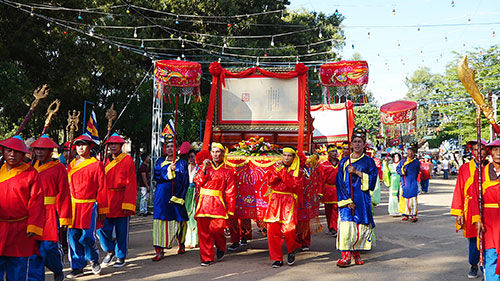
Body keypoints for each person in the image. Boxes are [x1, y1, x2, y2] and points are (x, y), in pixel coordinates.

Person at [0, 135, 45, 281]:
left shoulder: (31, 173)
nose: (12, 155)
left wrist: (33, 226)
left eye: (17, 151)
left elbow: (36, 201)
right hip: (0, 227)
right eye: (8, 151)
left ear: (23, 153)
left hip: (20, 228)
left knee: (18, 267)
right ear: (3, 152)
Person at [28, 135, 72, 281]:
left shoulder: (59, 168)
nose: (39, 152)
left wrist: (64, 217)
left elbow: (64, 194)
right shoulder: (30, 167)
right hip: (33, 212)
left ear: (50, 151)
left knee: (49, 247)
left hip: (51, 212)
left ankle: (57, 268)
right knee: (33, 249)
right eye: (37, 149)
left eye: (43, 149)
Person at [335, 128, 378, 267]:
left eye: (360, 142)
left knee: (360, 227)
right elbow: (339, 182)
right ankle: (346, 256)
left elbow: (372, 181)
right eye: (355, 142)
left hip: (361, 199)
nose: (357, 144)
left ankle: (357, 254)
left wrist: (358, 173)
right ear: (351, 144)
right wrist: (347, 201)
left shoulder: (369, 162)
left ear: (364, 144)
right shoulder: (343, 162)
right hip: (346, 199)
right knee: (347, 227)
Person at [66, 134, 107, 278]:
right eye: (78, 145)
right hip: (72, 206)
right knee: (73, 236)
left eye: (84, 145)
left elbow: (102, 187)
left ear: (90, 147)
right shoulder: (71, 165)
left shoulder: (96, 164)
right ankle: (77, 266)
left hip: (89, 205)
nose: (80, 148)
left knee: (87, 236)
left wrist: (103, 208)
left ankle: (94, 259)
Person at [97, 133, 137, 268]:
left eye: (116, 144)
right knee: (101, 229)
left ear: (120, 145)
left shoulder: (127, 160)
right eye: (111, 144)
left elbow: (131, 183)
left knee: (121, 231)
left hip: (121, 199)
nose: (113, 146)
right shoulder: (102, 161)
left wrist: (128, 203)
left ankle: (120, 256)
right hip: (105, 199)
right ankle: (110, 250)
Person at [194, 143, 236, 266]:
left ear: (223, 154)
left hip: (218, 204)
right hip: (203, 203)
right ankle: (206, 257)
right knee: (203, 232)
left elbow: (231, 191)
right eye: (213, 152)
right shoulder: (204, 167)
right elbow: (198, 181)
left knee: (217, 230)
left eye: (218, 152)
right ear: (210, 153)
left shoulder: (228, 171)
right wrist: (203, 169)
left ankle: (221, 246)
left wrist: (231, 209)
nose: (215, 154)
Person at [451, 139, 487, 279]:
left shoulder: (491, 167)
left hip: (486, 207)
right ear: (472, 151)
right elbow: (459, 190)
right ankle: (473, 264)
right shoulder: (465, 168)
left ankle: (486, 267)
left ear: (487, 151)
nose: (480, 152)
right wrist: (459, 212)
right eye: (477, 149)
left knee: (487, 238)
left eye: (482, 149)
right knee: (473, 239)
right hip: (470, 208)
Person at [264, 146, 303, 268]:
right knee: (273, 231)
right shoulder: (274, 167)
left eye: (289, 155)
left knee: (289, 230)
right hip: (275, 201)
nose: (286, 158)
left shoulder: (299, 171)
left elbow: (293, 185)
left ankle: (291, 250)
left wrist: (281, 171)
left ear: (293, 157)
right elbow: (270, 181)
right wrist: (277, 171)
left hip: (289, 201)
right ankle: (277, 258)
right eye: (284, 155)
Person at [152, 135, 189, 261]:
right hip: (161, 196)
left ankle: (181, 243)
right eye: (167, 146)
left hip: (177, 196)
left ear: (177, 148)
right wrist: (169, 169)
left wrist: (180, 196)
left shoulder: (182, 163)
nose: (169, 148)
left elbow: (185, 181)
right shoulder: (159, 161)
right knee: (159, 221)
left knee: (180, 220)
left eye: (172, 146)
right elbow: (157, 175)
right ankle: (159, 250)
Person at [471, 139, 500, 281]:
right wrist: (477, 219)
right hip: (489, 220)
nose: (498, 153)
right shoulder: (481, 173)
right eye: (495, 150)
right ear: (490, 152)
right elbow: (475, 197)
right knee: (490, 255)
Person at [319, 144, 340, 236]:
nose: (335, 153)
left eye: (336, 151)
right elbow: (320, 179)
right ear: (328, 153)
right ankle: (330, 227)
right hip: (328, 189)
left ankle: (334, 227)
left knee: (336, 208)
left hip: (338, 189)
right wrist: (320, 192)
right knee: (328, 210)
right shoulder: (324, 165)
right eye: (332, 151)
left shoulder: (341, 163)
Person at [397, 143, 421, 222]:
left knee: (413, 199)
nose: (409, 153)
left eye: (411, 151)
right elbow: (398, 169)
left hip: (412, 181)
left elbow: (417, 172)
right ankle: (406, 214)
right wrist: (402, 171)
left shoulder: (416, 162)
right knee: (405, 199)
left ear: (414, 153)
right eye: (409, 151)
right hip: (405, 182)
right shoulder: (403, 161)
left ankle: (414, 214)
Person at [185, 149, 199, 249]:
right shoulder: (186, 168)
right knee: (187, 216)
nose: (191, 159)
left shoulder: (199, 168)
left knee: (194, 215)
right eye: (189, 157)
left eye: (193, 156)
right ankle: (188, 240)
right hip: (187, 193)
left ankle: (195, 240)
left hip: (196, 192)